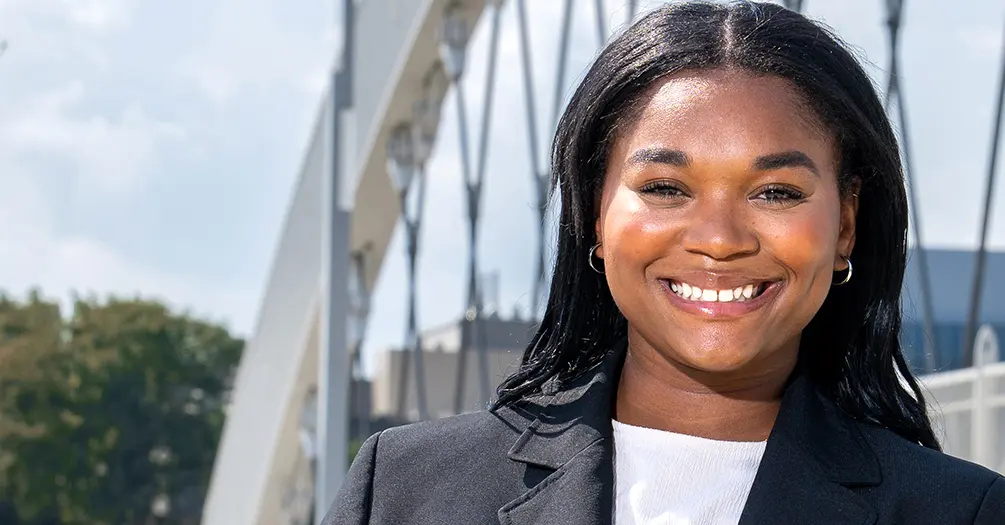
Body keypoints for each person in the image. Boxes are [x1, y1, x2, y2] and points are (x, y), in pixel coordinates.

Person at [324, 2, 1005, 523]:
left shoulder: (960, 511)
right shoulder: (407, 488)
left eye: (774, 191)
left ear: (845, 226)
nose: (717, 238)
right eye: (664, 188)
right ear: (594, 213)